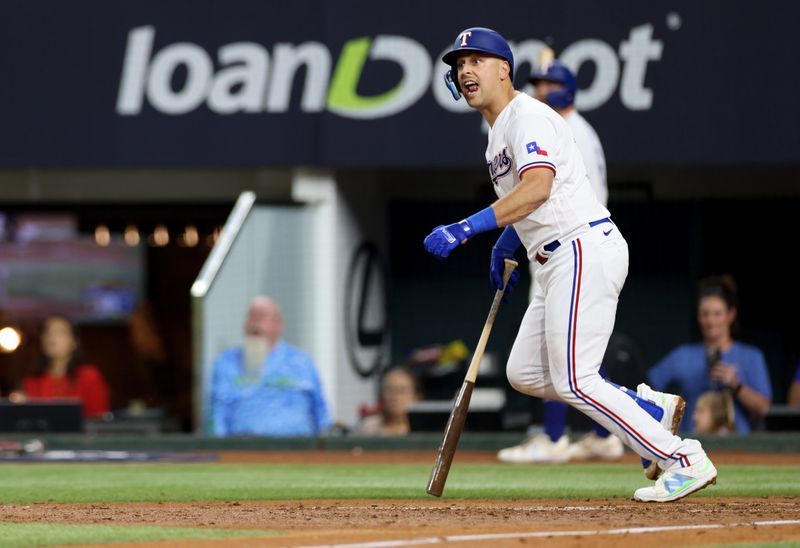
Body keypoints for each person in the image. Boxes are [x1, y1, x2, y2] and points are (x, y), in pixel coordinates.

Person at [425, 27, 716, 502]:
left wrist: (465, 228)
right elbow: (531, 202)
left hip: (580, 247)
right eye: (460, 64)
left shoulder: (527, 117)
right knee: (525, 373)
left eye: (476, 60)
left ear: (504, 70)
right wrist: (506, 241)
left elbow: (538, 186)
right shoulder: (497, 134)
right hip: (555, 256)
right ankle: (644, 407)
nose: (465, 70)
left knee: (575, 379)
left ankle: (681, 457)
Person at [498, 57, 623, 464]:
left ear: (568, 89)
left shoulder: (568, 128)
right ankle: (607, 429)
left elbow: (545, 190)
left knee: (566, 361)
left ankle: (555, 438)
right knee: (561, 362)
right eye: (538, 83)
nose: (542, 90)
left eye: (551, 84)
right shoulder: (556, 124)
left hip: (572, 242)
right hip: (559, 244)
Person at [648, 275, 772, 434]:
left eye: (717, 313)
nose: (711, 321)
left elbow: (764, 408)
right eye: (705, 314)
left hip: (739, 446)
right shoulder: (683, 355)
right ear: (698, 317)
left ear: (731, 315)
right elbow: (647, 388)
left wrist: (737, 385)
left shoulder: (750, 356)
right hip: (692, 443)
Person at [210, 296, 331, 437]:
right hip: (245, 449)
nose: (255, 324)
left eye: (262, 317)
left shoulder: (301, 361)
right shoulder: (227, 363)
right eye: (251, 317)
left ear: (279, 325)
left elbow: (320, 411)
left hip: (297, 447)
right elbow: (217, 414)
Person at [22, 314, 110, 418]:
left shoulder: (88, 377)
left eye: (59, 332)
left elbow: (100, 418)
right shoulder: (32, 381)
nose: (51, 337)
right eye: (47, 332)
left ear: (74, 342)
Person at [357, 365, 422, 436]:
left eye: (402, 391)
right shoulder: (368, 428)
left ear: (416, 397)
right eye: (390, 390)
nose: (395, 397)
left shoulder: (424, 430)